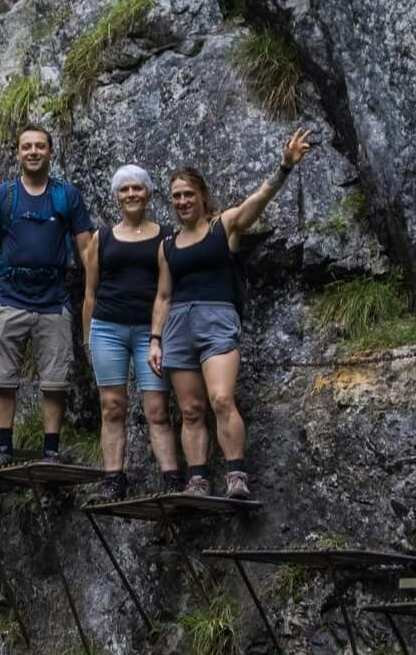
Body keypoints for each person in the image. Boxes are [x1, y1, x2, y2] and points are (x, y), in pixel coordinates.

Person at [148, 128, 314, 498]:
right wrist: (155, 340)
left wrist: (284, 168)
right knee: (190, 410)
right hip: (177, 326)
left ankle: (236, 475)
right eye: (176, 196)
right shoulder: (167, 246)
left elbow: (260, 199)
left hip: (217, 319)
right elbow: (162, 295)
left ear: (202, 196)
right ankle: (198, 480)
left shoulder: (223, 226)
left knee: (221, 398)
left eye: (189, 194)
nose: (182, 201)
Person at [0, 126, 93, 465]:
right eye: (26, 147)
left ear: (51, 152)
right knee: (2, 376)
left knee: (55, 379)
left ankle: (51, 451)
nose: (33, 152)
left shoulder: (67, 196)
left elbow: (87, 248)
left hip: (54, 297)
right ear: (17, 153)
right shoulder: (2, 196)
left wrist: (96, 290)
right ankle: (3, 448)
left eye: (40, 147)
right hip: (10, 295)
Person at [77, 164, 180, 496]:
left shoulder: (167, 235)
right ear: (116, 196)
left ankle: (172, 479)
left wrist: (159, 334)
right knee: (112, 405)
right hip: (107, 328)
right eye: (124, 189)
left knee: (157, 408)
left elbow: (168, 291)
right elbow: (90, 293)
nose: (131, 194)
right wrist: (87, 337)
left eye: (137, 188)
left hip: (150, 333)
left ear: (148, 193)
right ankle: (112, 479)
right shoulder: (101, 238)